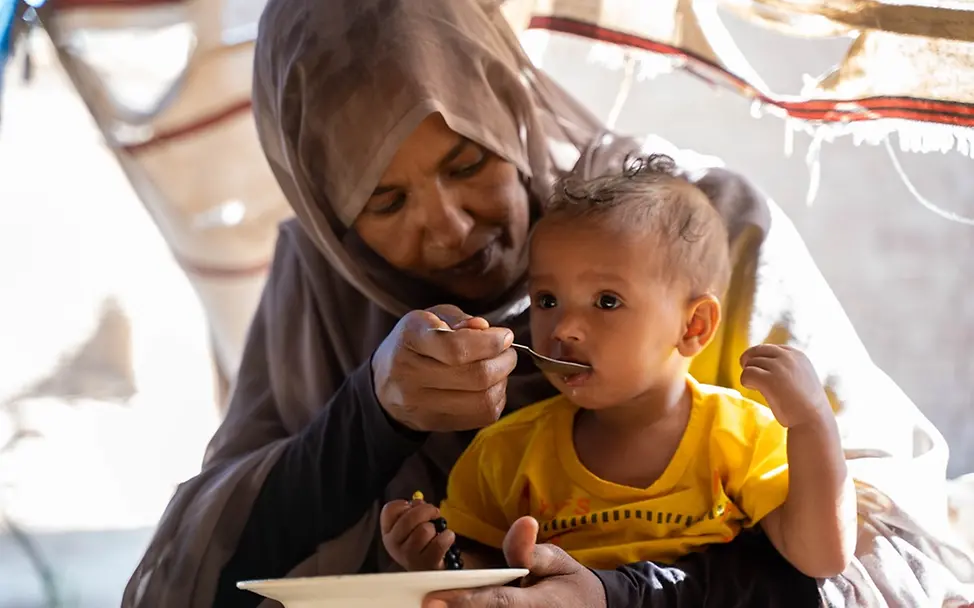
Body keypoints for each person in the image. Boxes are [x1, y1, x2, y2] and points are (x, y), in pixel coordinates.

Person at [121, 0, 974, 607]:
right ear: (328, 217)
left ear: (508, 107)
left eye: (467, 163)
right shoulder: (321, 287)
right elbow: (198, 576)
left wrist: (622, 594)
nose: (448, 226)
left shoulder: (701, 234)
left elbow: (884, 554)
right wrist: (372, 416)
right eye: (384, 204)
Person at [382, 156, 856, 577]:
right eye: (547, 299)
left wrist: (812, 421)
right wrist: (439, 559)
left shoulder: (739, 438)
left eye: (606, 301)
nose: (563, 327)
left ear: (694, 326)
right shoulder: (503, 455)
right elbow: (484, 583)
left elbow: (821, 558)